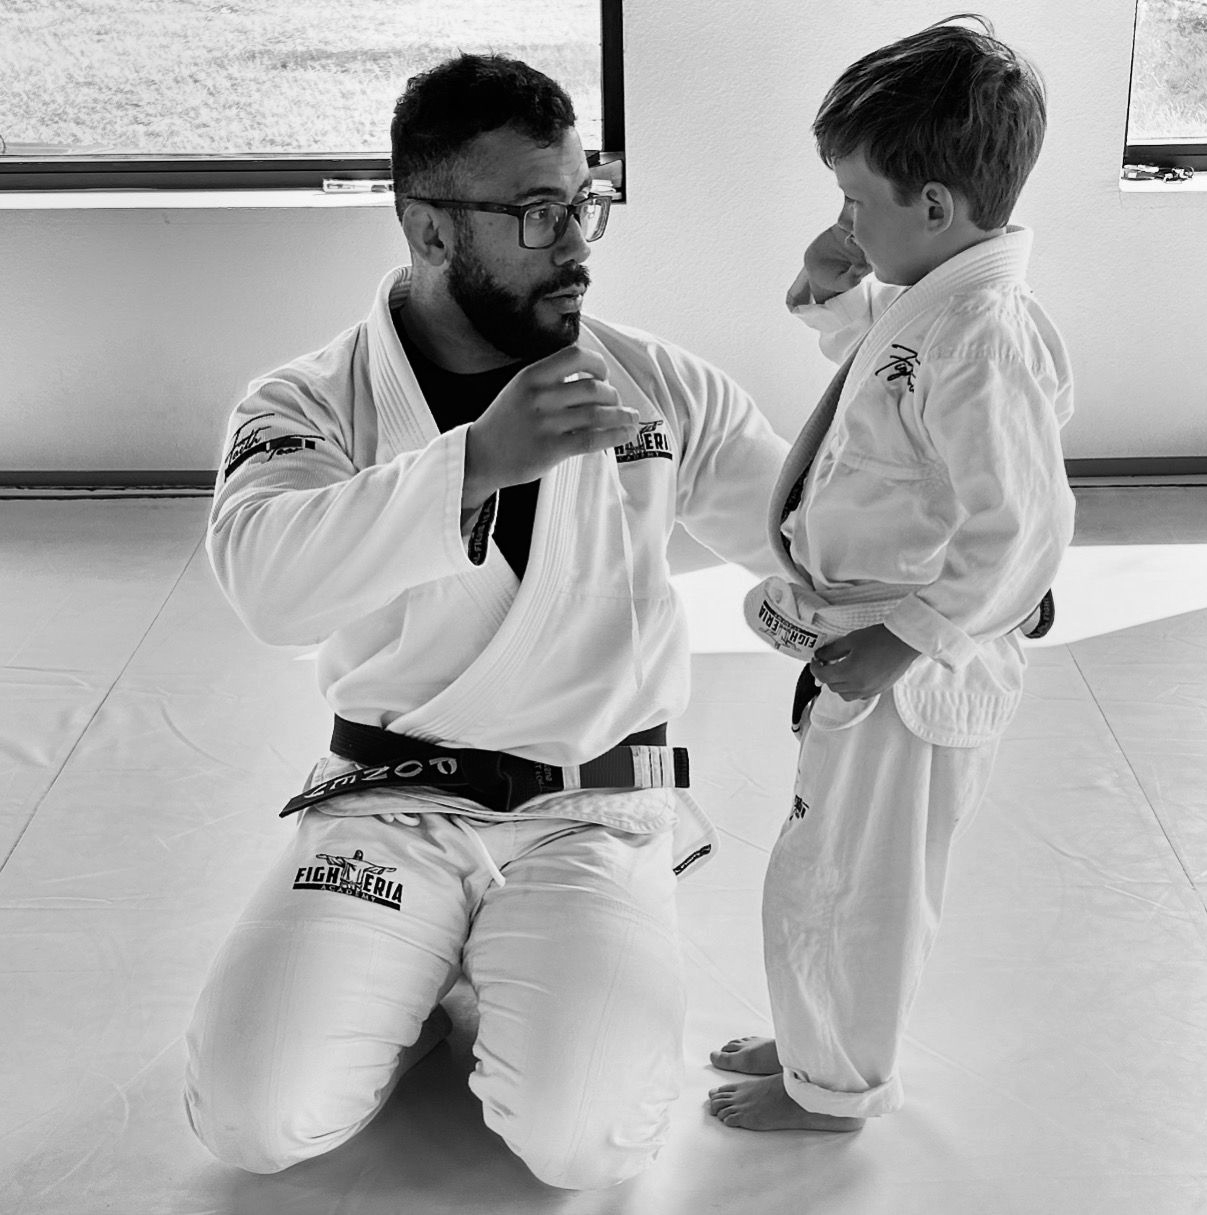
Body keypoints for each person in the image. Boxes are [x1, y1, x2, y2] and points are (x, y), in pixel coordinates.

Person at [183, 53, 788, 1190]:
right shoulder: (308, 402)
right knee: (250, 1119)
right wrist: (475, 466)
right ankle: (419, 988)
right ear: (429, 227)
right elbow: (269, 583)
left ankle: (475, 973)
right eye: (536, 211)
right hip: (386, 811)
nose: (577, 242)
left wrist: (892, 377)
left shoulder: (657, 390)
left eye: (582, 200)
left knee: (586, 1141)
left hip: (589, 814)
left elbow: (810, 532)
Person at [708, 15, 1074, 1132]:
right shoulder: (936, 306)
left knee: (862, 885)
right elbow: (889, 392)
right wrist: (836, 294)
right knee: (822, 856)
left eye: (855, 203)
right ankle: (817, 1036)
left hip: (911, 672)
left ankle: (836, 1087)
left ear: (935, 208)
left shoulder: (985, 333)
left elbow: (1021, 528)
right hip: (872, 646)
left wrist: (905, 637)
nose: (841, 220)